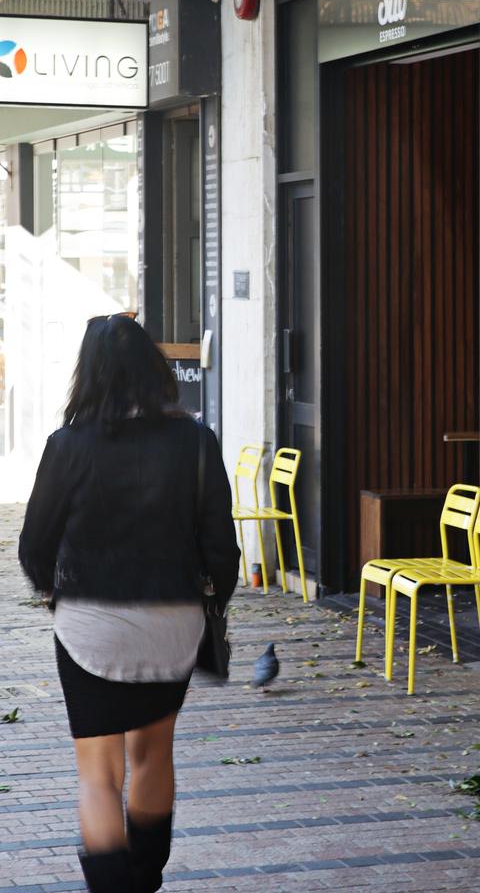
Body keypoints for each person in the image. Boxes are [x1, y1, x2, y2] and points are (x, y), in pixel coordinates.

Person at [18, 314, 240, 893]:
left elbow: (34, 545)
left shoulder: (67, 445)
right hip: (173, 624)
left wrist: (55, 595)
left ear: (86, 374)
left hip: (90, 626)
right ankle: (144, 880)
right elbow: (221, 544)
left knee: (98, 775)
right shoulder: (196, 440)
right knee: (153, 754)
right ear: (154, 368)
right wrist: (213, 602)